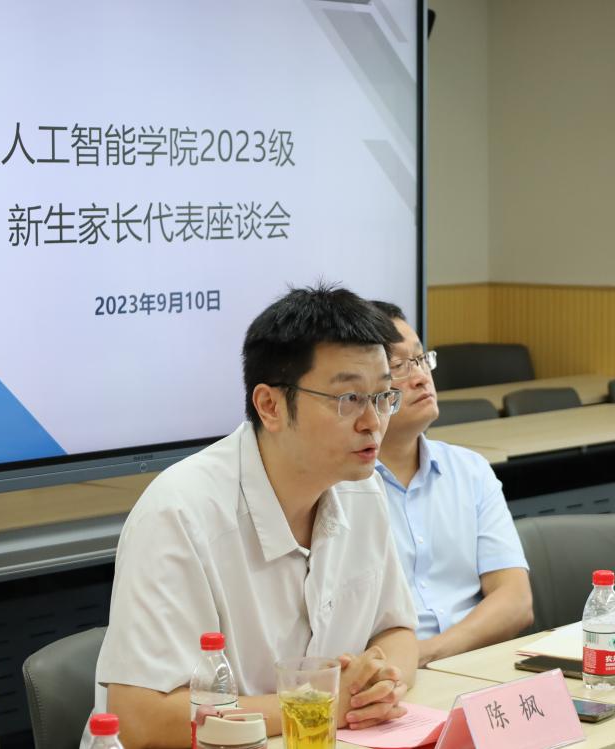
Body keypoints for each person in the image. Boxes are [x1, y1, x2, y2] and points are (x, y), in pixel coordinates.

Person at [87, 285, 418, 749]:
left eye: (383, 396)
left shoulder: (362, 487)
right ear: (270, 406)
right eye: (348, 399)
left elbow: (396, 630)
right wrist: (321, 702)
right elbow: (142, 720)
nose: (373, 422)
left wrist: (379, 685)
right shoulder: (179, 513)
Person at [370, 302, 533, 667]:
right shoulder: (342, 488)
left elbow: (516, 600)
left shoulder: (470, 470)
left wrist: (428, 653)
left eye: (420, 359)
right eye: (398, 366)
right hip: (389, 677)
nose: (420, 377)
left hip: (474, 661)